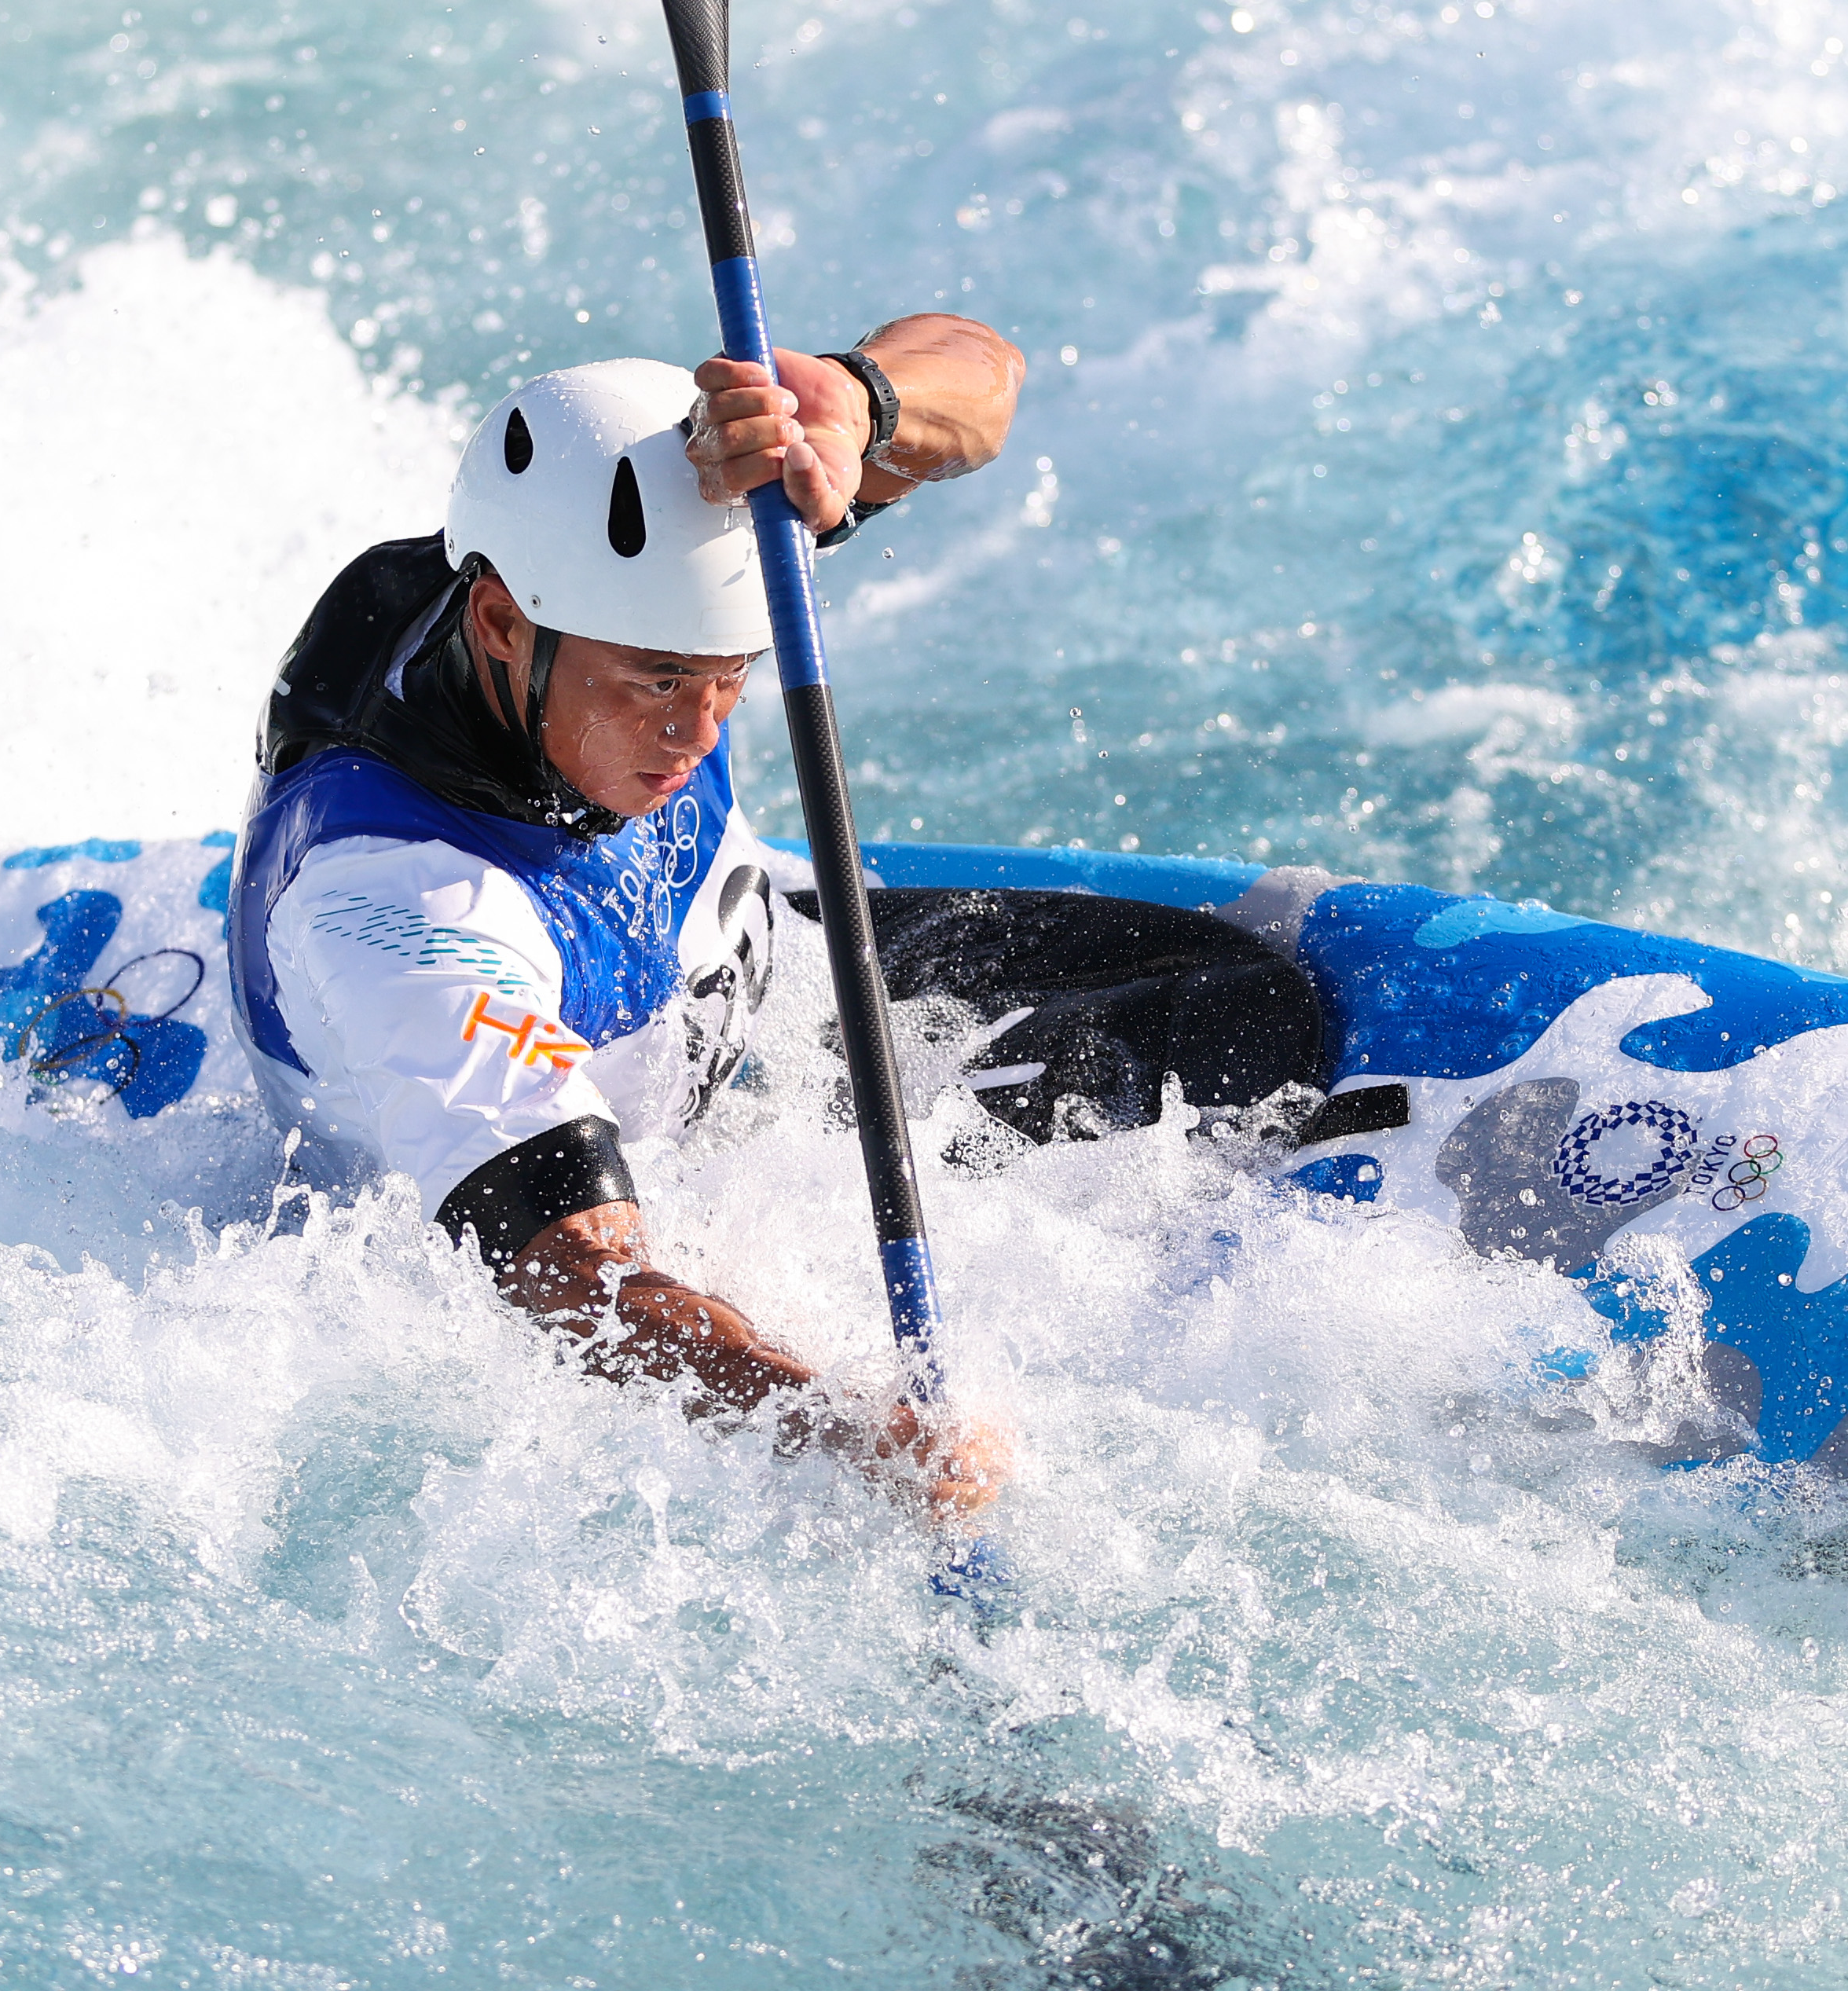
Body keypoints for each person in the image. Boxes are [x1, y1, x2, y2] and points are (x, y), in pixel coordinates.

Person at [229, 317, 1326, 1520]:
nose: (698, 735)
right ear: (498, 623)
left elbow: (988, 375)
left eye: (727, 678)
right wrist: (845, 1428)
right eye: (658, 684)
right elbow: (574, 1280)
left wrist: (857, 408)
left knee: (1232, 999)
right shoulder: (394, 905)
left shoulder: (605, 590)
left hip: (768, 977)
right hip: (621, 1159)